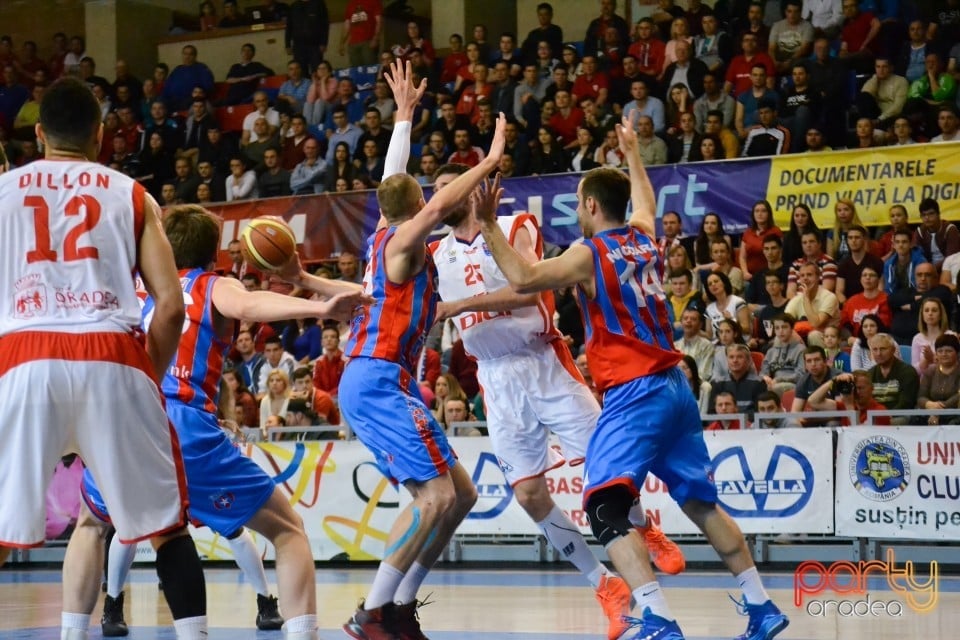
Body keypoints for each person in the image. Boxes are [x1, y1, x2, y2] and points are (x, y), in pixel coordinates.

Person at [475, 111, 788, 640]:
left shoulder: (588, 254)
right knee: (700, 503)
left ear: (592, 206)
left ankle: (657, 618)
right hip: (675, 388)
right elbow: (647, 202)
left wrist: (487, 225)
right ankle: (761, 606)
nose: (578, 211)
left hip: (635, 391)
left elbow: (525, 277)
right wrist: (636, 154)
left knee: (602, 503)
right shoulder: (646, 238)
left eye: (579, 203)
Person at [430, 157, 685, 638]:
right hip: (495, 378)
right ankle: (605, 584)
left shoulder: (513, 224)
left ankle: (643, 527)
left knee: (606, 464)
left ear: (469, 189)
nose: (439, 197)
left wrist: (458, 306)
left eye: (448, 187)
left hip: (543, 361)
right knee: (527, 493)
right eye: (435, 190)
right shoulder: (434, 253)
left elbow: (528, 294)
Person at [0, 77, 208, 638]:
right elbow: (169, 307)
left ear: (40, 133)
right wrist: (147, 376)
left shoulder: (3, 191)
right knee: (167, 528)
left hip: (22, 357)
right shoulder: (131, 194)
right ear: (100, 135)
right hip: (113, 356)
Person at [338, 60, 508, 640]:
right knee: (433, 496)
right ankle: (371, 615)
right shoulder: (406, 241)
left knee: (460, 495)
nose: (434, 197)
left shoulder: (390, 224)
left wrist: (404, 117)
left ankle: (402, 607)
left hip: (393, 380)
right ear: (417, 211)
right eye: (426, 199)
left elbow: (397, 180)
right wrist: (485, 162)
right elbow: (430, 207)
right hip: (377, 376)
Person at [868, 333, 920, 425]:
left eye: (883, 349)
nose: (878, 353)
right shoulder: (870, 373)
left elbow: (906, 403)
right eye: (875, 350)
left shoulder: (908, 372)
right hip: (875, 417)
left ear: (893, 350)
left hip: (900, 416)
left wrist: (884, 417)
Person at [806, 370, 890, 426]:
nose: (857, 392)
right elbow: (813, 401)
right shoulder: (845, 405)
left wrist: (849, 406)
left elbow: (862, 438)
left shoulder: (879, 411)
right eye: (854, 388)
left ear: (872, 388)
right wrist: (834, 380)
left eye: (861, 388)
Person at [917, 333, 960, 425]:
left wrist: (937, 411)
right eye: (940, 351)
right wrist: (928, 404)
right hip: (931, 412)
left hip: (955, 413)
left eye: (948, 351)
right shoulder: (930, 371)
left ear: (957, 352)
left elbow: (958, 397)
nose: (944, 354)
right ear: (936, 353)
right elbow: (921, 397)